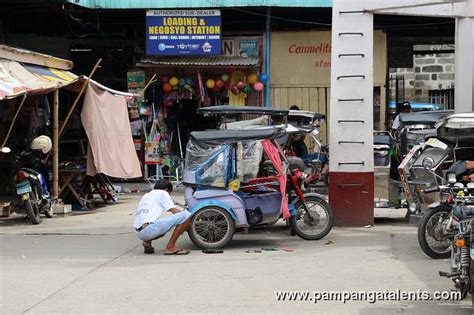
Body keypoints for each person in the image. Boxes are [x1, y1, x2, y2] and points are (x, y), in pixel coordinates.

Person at [133, 179, 191, 255]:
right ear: (167, 190)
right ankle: (170, 247)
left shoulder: (147, 195)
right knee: (185, 215)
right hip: (149, 229)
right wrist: (189, 223)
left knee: (157, 221)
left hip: (140, 232)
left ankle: (147, 241)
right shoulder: (163, 193)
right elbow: (174, 210)